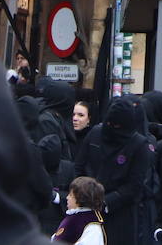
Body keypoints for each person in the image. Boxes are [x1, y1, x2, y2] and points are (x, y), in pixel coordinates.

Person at [74, 96, 152, 244]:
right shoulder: (96, 134)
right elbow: (79, 166)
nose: (112, 128)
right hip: (87, 207)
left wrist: (106, 202)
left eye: (117, 126)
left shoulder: (139, 145)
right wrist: (83, 194)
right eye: (110, 124)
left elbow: (135, 185)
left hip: (120, 214)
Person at [53, 176, 107, 244]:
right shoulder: (73, 217)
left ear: (80, 199)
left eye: (71, 195)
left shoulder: (91, 225)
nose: (67, 197)